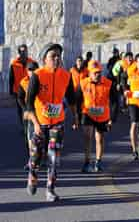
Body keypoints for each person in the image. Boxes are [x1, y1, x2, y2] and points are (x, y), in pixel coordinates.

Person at [25, 43, 78, 202]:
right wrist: (35, 123)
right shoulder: (37, 75)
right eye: (52, 56)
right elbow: (29, 103)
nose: (56, 59)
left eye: (58, 56)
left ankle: (50, 189)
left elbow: (71, 99)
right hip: (39, 122)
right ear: (44, 59)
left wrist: (75, 117)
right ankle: (32, 175)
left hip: (58, 123)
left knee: (54, 158)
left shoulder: (66, 76)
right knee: (36, 157)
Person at [77, 60, 115, 173]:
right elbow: (77, 100)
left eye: (99, 72)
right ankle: (87, 162)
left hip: (102, 115)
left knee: (99, 138)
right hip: (87, 113)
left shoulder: (108, 83)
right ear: (89, 73)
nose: (97, 75)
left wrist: (112, 118)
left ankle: (98, 161)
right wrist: (77, 117)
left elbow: (114, 102)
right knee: (87, 137)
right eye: (95, 73)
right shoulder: (83, 83)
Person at [17, 61, 39, 170]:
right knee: (29, 137)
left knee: (41, 136)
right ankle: (31, 159)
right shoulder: (23, 82)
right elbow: (20, 98)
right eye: (30, 69)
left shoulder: (42, 80)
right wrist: (25, 109)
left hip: (40, 112)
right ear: (27, 71)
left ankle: (40, 157)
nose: (32, 71)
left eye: (34, 69)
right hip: (28, 112)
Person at [9, 44, 36, 133]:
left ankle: (31, 124)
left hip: (31, 90)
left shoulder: (32, 62)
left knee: (31, 108)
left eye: (25, 51)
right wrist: (11, 91)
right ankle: (24, 127)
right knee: (21, 110)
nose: (23, 53)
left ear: (27, 51)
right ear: (19, 52)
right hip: (18, 91)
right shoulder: (14, 64)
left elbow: (38, 75)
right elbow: (11, 78)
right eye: (22, 51)